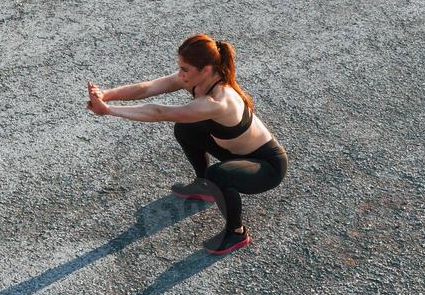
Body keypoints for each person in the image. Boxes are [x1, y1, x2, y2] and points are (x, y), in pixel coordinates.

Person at [85, 33, 288, 254]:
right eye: (180, 67)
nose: (180, 74)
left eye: (185, 69)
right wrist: (107, 95)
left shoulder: (219, 101)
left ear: (206, 70)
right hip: (236, 153)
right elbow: (148, 88)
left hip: (265, 166)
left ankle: (236, 232)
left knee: (217, 175)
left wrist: (108, 111)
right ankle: (204, 186)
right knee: (186, 129)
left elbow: (159, 112)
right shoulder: (196, 78)